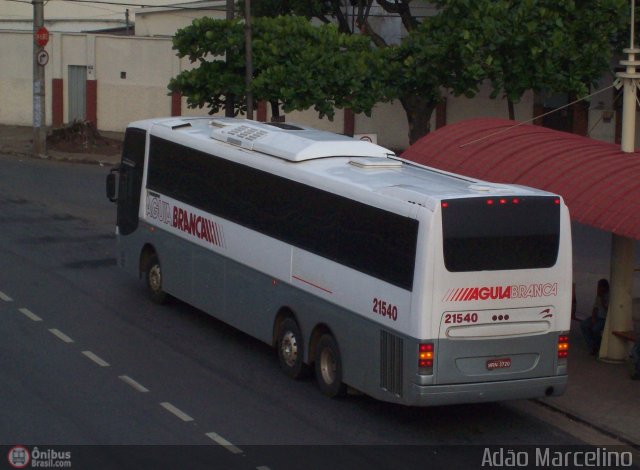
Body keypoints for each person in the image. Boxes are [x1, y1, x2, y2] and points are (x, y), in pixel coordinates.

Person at [580, 278, 610, 355]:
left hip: (604, 319)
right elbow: (595, 307)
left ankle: (598, 345)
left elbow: (607, 308)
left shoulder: (609, 296)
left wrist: (602, 298)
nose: (598, 289)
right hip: (597, 317)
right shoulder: (598, 296)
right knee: (584, 324)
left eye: (600, 287)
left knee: (595, 329)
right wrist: (593, 317)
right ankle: (592, 345)